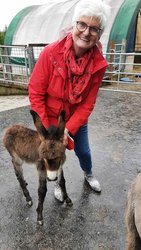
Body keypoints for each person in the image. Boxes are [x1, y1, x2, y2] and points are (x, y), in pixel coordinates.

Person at [28, 0, 111, 198]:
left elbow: (88, 103)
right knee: (53, 152)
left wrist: (69, 128)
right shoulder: (50, 53)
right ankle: (58, 183)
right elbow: (36, 92)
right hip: (49, 118)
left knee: (84, 151)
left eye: (94, 28)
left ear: (99, 34)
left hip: (74, 119)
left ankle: (88, 173)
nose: (86, 32)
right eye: (81, 24)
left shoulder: (99, 65)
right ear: (74, 25)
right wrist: (45, 130)